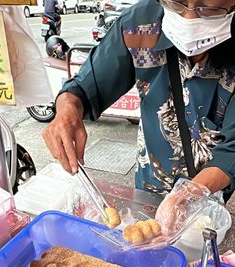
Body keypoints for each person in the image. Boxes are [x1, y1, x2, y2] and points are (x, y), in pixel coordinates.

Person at [43, 0, 235, 232]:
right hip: (149, 189)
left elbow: (231, 152)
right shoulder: (139, 25)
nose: (189, 18)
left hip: (209, 196)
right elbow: (84, 88)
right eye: (177, 3)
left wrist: (189, 194)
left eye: (209, 8)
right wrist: (67, 109)